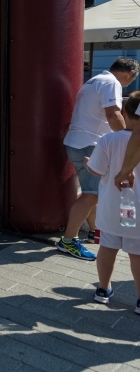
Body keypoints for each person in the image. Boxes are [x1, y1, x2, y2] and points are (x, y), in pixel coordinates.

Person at [58, 57, 139, 260]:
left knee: (93, 191)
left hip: (78, 141)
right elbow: (114, 115)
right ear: (129, 74)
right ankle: (68, 241)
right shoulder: (112, 83)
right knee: (92, 195)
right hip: (89, 143)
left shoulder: (95, 80)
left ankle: (95, 231)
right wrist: (127, 139)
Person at [86, 90, 140, 311]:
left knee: (107, 248)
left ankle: (103, 289)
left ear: (124, 112)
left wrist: (88, 162)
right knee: (137, 254)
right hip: (137, 212)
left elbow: (96, 170)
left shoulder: (108, 139)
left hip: (110, 207)